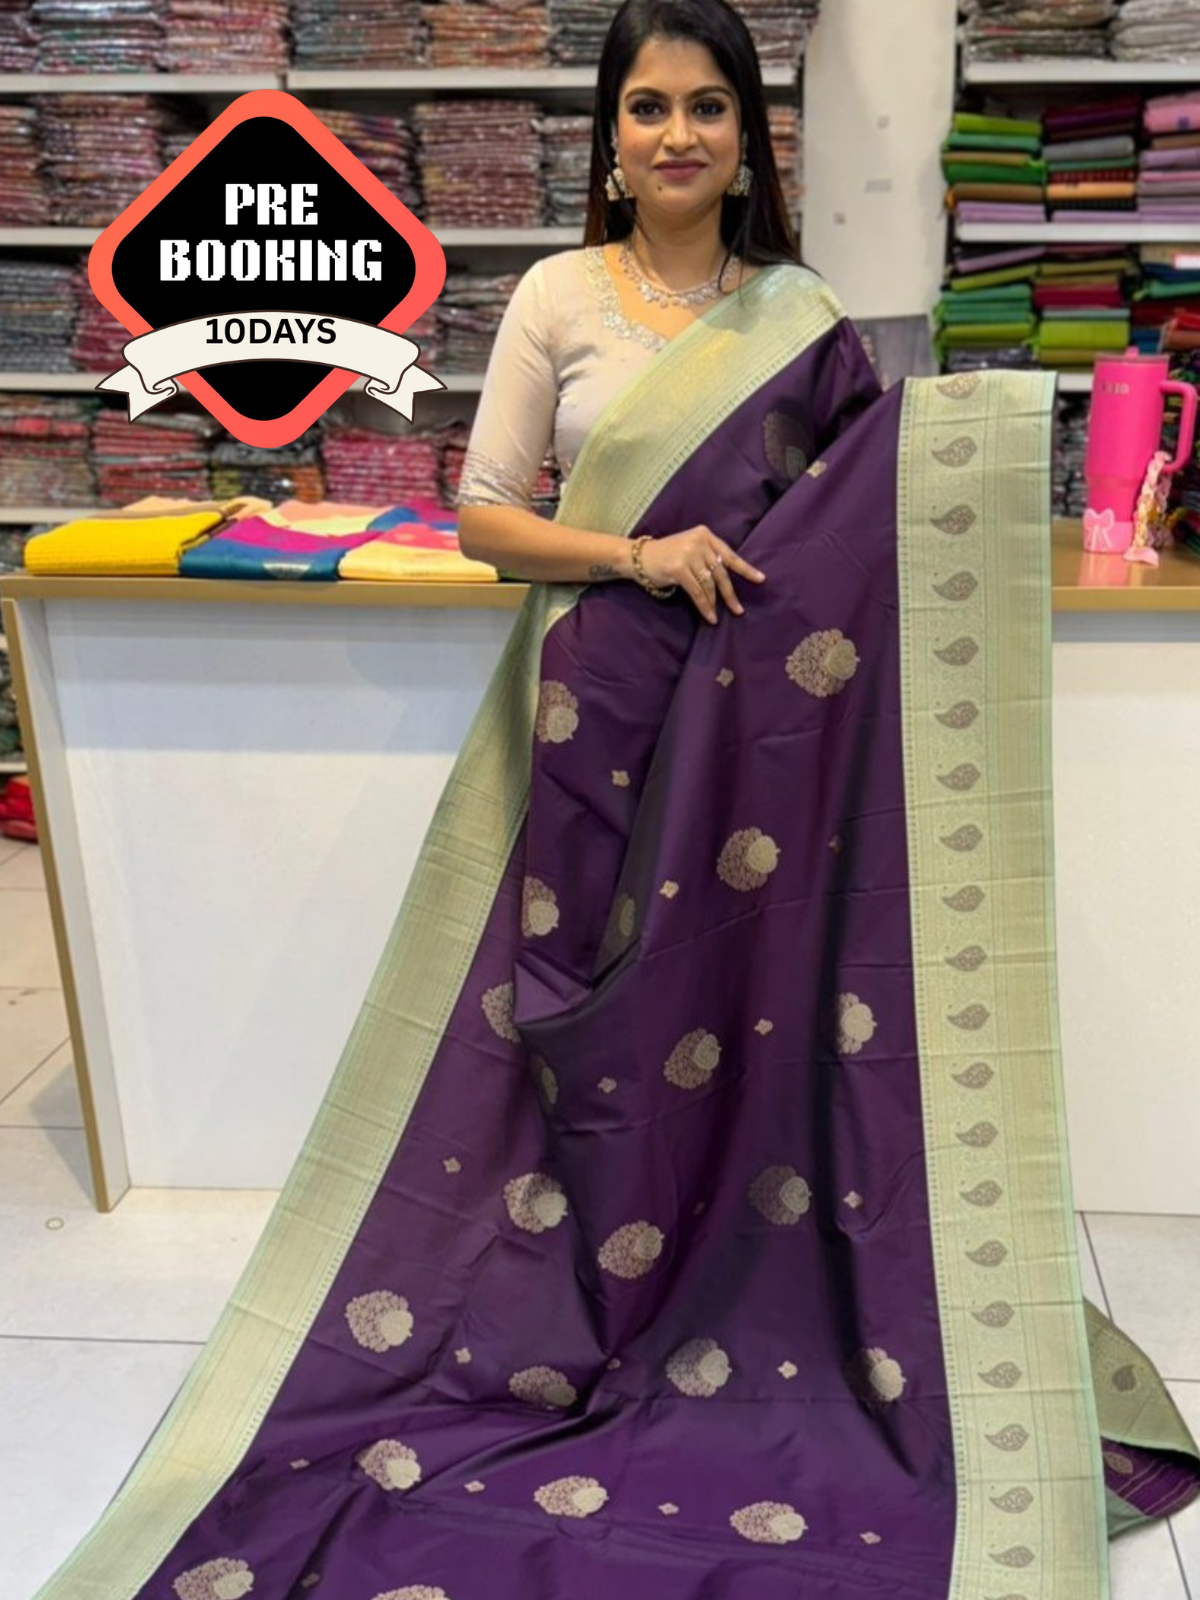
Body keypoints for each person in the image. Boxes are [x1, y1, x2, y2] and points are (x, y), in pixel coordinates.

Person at [34, 4, 1200, 1599]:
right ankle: (574, 1303)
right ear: (610, 135)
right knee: (578, 1018)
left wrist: (985, 451)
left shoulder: (802, 317)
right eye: (648, 106)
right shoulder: (559, 299)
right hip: (596, 710)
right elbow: (486, 519)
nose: (676, 135)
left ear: (749, 140)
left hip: (761, 747)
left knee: (741, 1007)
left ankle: (735, 1294)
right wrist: (641, 554)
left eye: (708, 107)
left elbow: (865, 520)